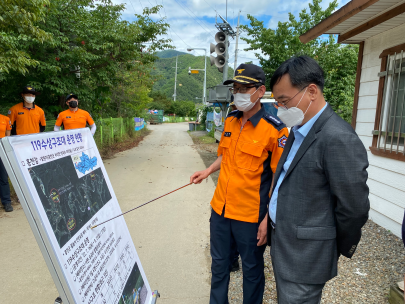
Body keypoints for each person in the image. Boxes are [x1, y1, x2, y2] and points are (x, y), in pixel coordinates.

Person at [268, 56, 369, 303]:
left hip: (307, 255)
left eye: (284, 101)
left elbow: (354, 208)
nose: (280, 110)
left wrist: (330, 246)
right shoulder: (299, 129)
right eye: (277, 103)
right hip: (285, 243)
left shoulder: (337, 137)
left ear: (311, 91)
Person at [190, 63, 289, 304]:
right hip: (221, 209)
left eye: (245, 88)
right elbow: (226, 155)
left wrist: (268, 219)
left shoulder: (276, 130)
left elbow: (279, 180)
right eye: (236, 88)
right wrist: (208, 170)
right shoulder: (231, 120)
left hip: (250, 216)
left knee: (252, 270)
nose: (239, 93)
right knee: (220, 265)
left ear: (260, 90)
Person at [0, 114, 13, 212]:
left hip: (1, 147)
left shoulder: (5, 119)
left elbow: (7, 135)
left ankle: (6, 202)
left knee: (3, 177)